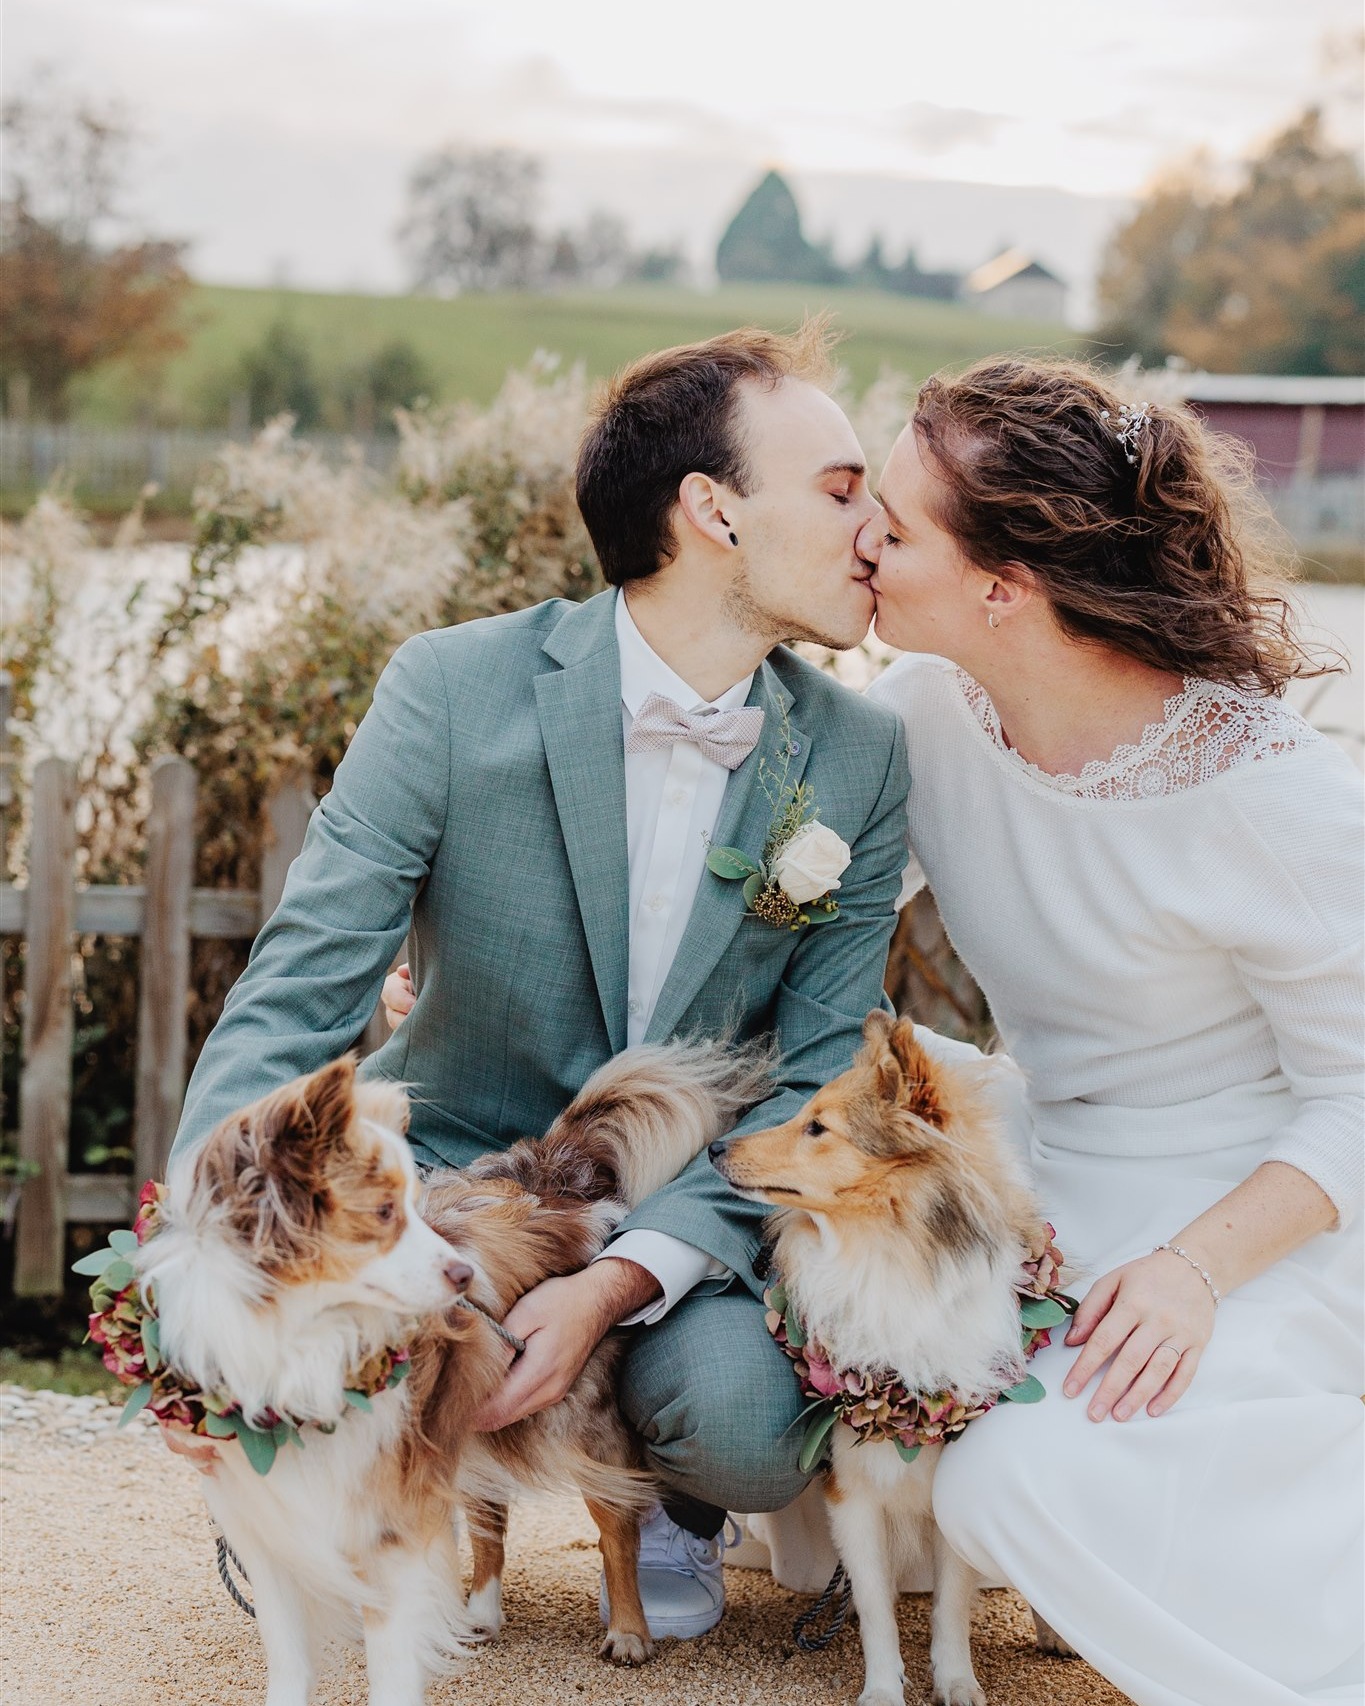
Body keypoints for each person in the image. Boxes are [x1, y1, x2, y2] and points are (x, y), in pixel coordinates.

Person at [166, 323, 910, 1639]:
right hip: (453, 1181)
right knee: (358, 1315)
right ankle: (342, 1489)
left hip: (682, 1196)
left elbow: (813, 1074)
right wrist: (200, 1234)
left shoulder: (858, 754)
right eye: (844, 488)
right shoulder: (451, 687)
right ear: (712, 511)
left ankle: (682, 1502)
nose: (878, 525)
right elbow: (303, 975)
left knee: (745, 1427)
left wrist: (619, 1280)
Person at [859, 357, 1363, 1706]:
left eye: (894, 527)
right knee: (896, 1392)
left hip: (1267, 1215)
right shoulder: (918, 721)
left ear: (1002, 590)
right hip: (1056, 1172)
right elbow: (776, 948)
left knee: (1011, 1473)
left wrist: (1194, 1273)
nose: (859, 538)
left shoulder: (1279, 797)